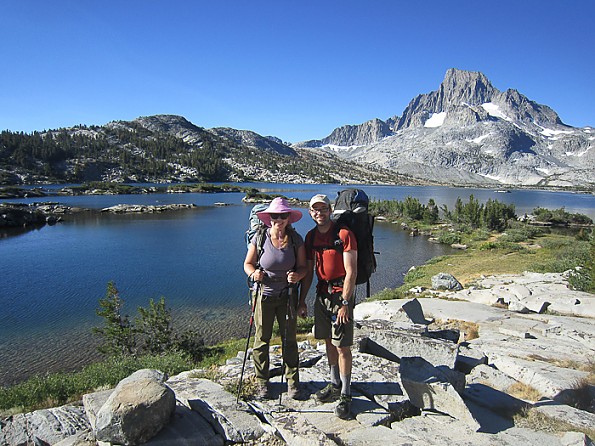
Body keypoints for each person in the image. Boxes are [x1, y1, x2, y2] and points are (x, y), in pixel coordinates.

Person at [243, 197, 308, 400]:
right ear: (268, 217)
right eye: (274, 216)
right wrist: (254, 274)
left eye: (282, 215)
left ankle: (292, 382)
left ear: (289, 218)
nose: (278, 219)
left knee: (289, 339)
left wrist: (298, 275)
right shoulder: (260, 238)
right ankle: (262, 382)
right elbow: (247, 264)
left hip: (288, 296)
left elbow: (304, 267)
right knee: (262, 339)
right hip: (264, 295)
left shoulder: (296, 240)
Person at [300, 194, 357, 420]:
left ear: (330, 210)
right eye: (315, 210)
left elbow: (351, 272)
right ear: (310, 213)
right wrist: (302, 299)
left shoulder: (344, 235)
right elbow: (308, 271)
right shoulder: (311, 236)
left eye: (323, 209)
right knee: (327, 340)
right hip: (321, 295)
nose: (319, 213)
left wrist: (345, 303)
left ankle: (346, 393)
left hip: (340, 296)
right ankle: (334, 383)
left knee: (342, 345)